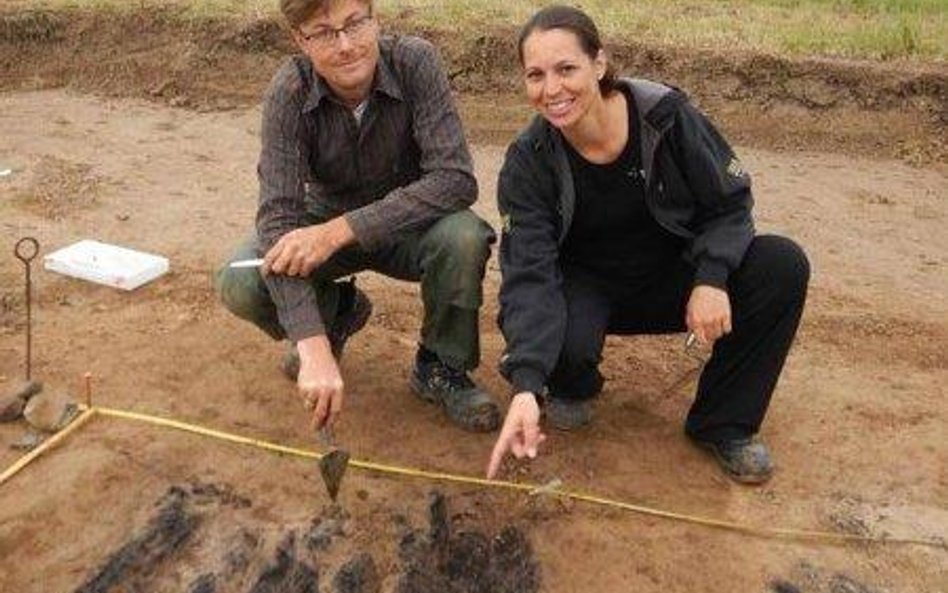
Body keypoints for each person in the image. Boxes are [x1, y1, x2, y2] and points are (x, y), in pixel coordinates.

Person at [487, 5, 809, 484]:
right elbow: (529, 272)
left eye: (566, 68)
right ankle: (569, 381)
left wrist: (711, 277)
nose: (551, 90)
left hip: (674, 276)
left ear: (599, 64)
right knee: (561, 350)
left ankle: (723, 423)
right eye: (535, 75)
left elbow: (729, 204)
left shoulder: (666, 117)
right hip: (586, 287)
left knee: (781, 264)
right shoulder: (528, 160)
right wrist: (526, 384)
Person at [216, 0, 500, 434]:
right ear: (300, 40)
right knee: (241, 280)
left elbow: (454, 180)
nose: (346, 45)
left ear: (375, 18)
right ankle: (335, 317)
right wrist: (311, 348)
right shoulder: (289, 91)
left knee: (464, 236)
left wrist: (341, 231)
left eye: (355, 24)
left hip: (410, 222)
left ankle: (440, 366)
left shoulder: (415, 62)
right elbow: (278, 221)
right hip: (324, 218)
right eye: (324, 32)